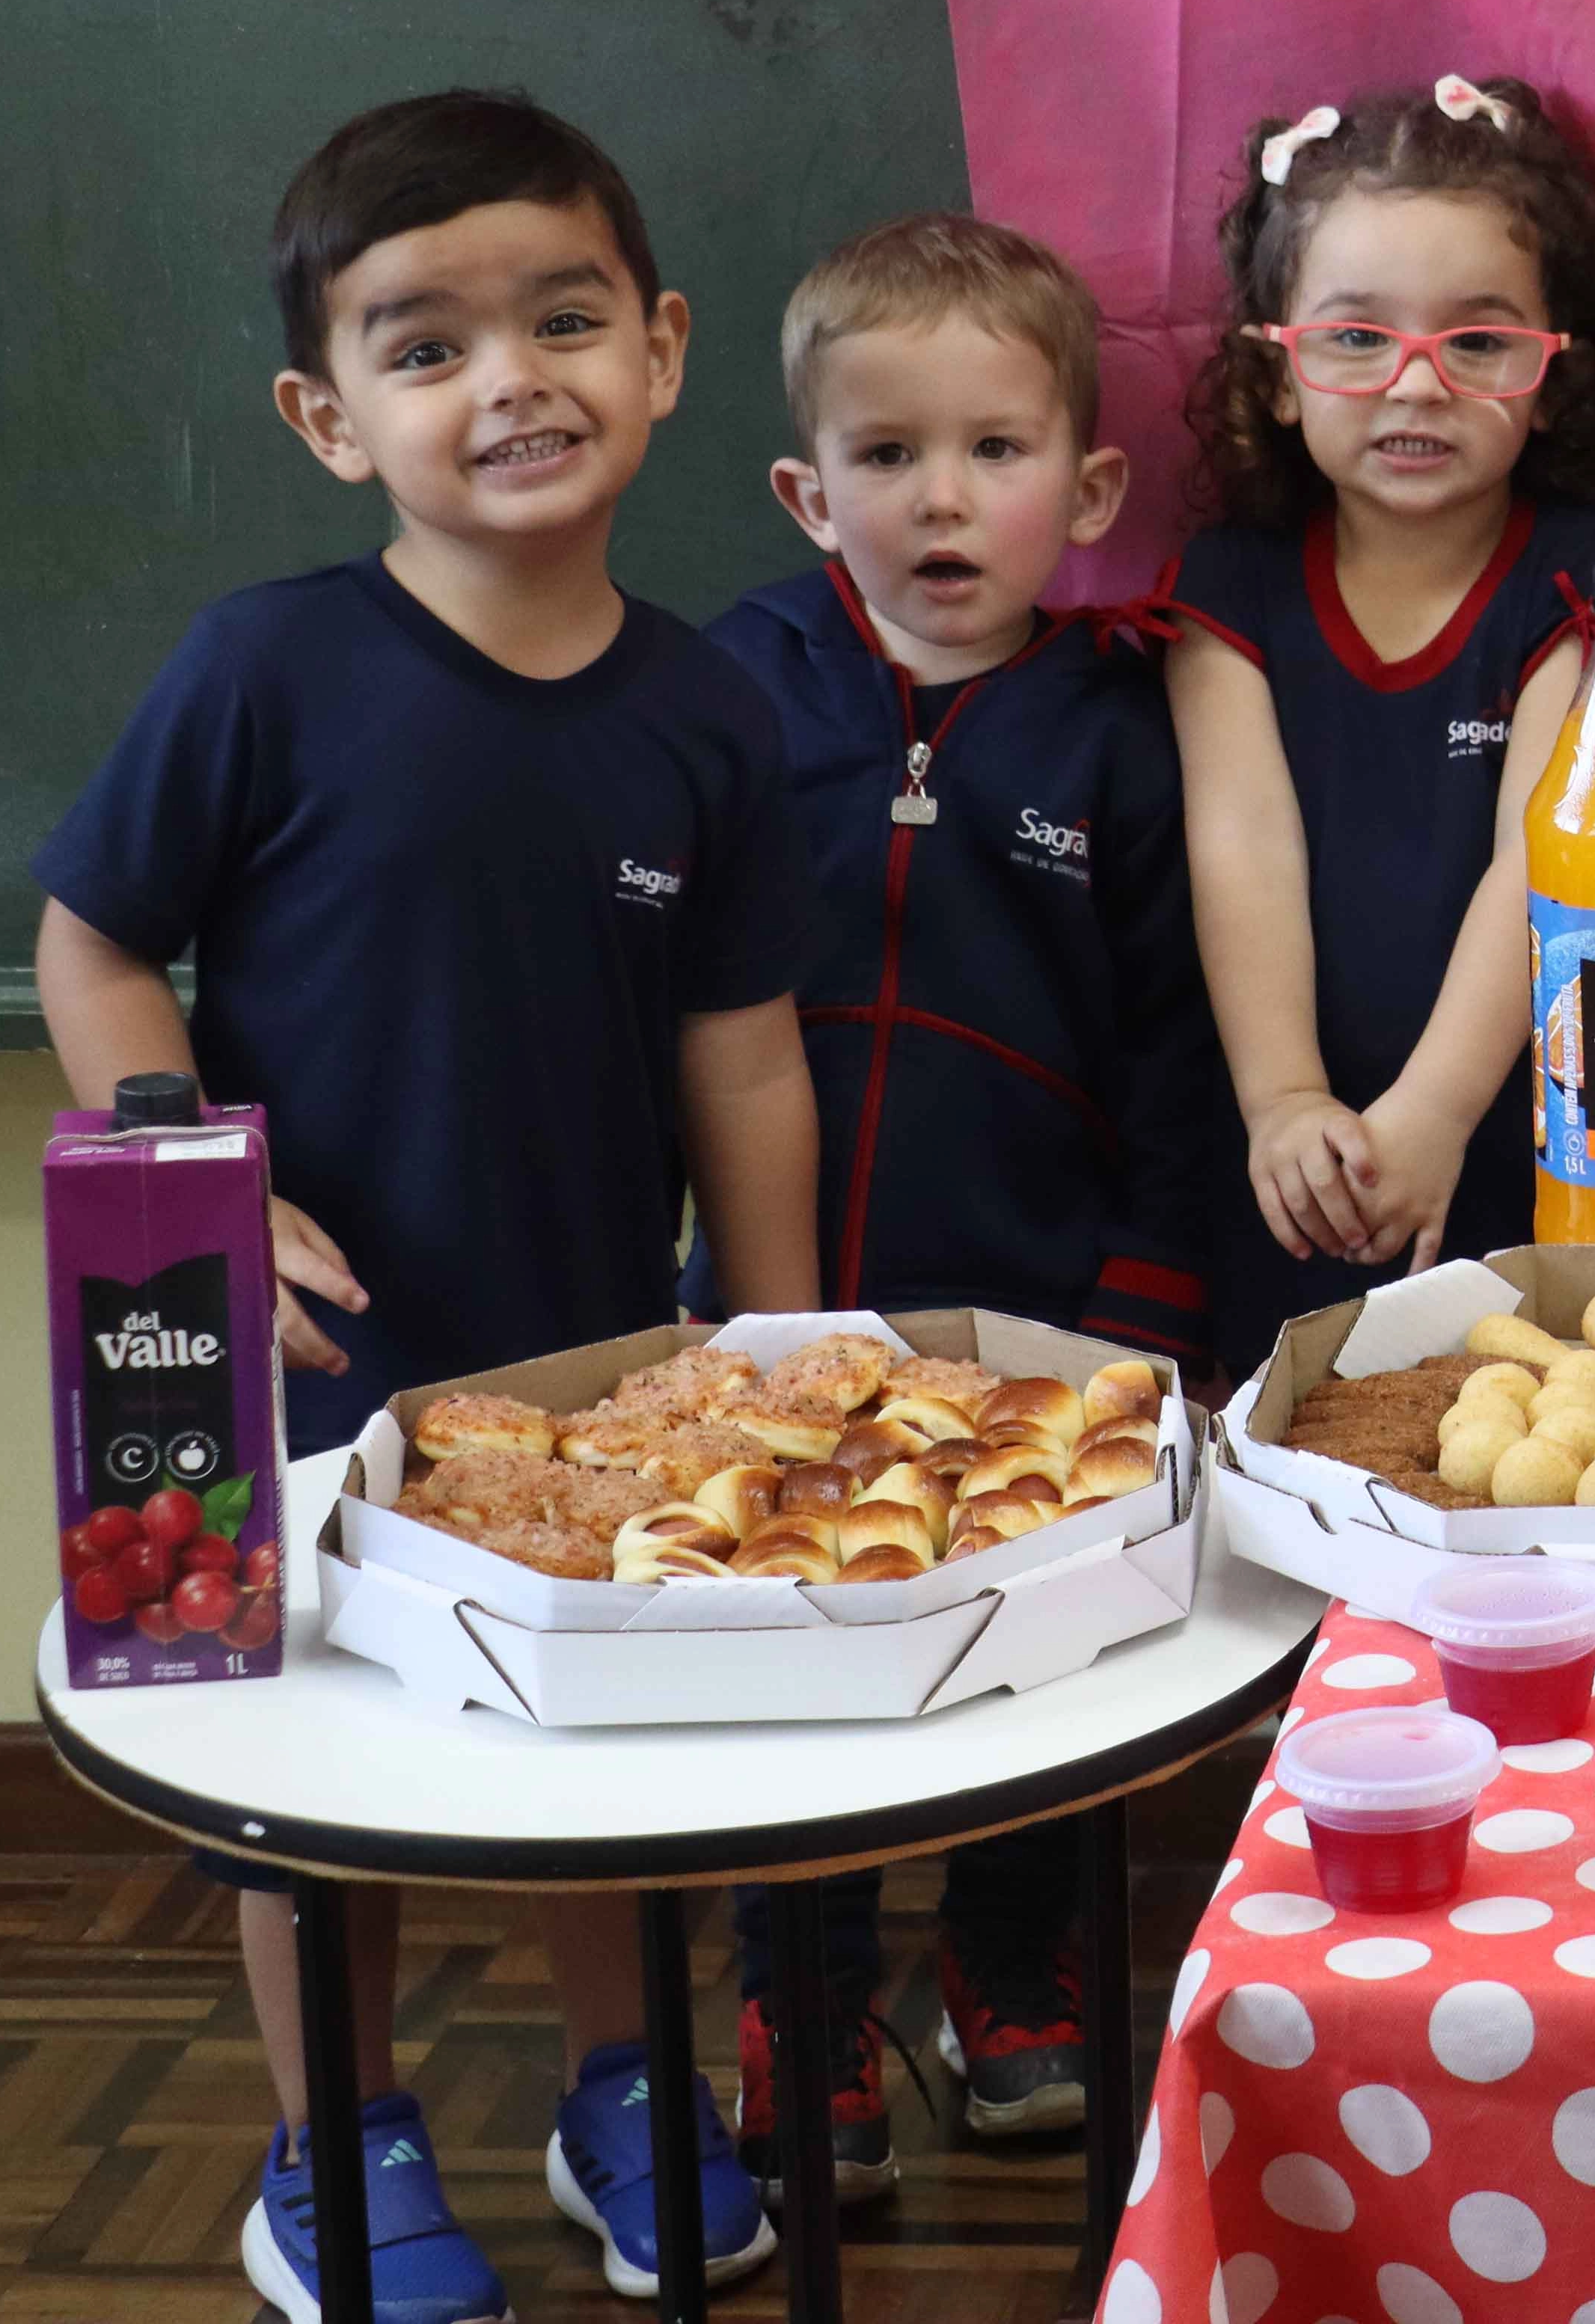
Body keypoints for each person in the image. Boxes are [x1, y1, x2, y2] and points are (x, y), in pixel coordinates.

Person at [32, 90, 804, 2321]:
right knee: (302, 1773)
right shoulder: (262, 671)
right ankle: (337, 2142)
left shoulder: (710, 714)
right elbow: (90, 939)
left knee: (603, 1744)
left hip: (593, 1361)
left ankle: (624, 2088)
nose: (510, 381)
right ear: (328, 417)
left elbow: (741, 1051)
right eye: (426, 343)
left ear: (662, 349)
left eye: (564, 319)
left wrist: (776, 1346)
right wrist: (186, 1177)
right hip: (295, 1358)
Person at [691, 214, 1237, 2198]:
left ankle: (1011, 1972)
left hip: (1047, 1322)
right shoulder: (728, 696)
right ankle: (804, 2001)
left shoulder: (1130, 727)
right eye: (890, 453)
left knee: (1033, 1663)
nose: (942, 499)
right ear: (802, 488)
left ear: (1086, 488)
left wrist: (1143, 1307)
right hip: (766, 1314)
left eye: (997, 453)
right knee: (790, 1683)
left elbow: (1187, 1049)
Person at [1161, 77, 1595, 1355]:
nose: (1417, 385)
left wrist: (1435, 1114)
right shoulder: (1226, 591)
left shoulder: (1586, 581)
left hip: (1504, 1138)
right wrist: (1287, 1101)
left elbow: (1547, 857)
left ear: (1551, 380)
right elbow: (1244, 844)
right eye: (1356, 339)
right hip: (1292, 1155)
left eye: (1479, 341)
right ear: (1278, 374)